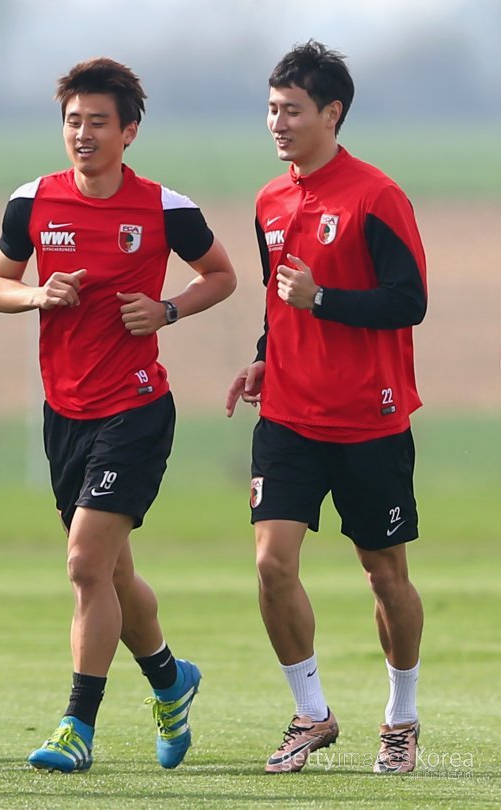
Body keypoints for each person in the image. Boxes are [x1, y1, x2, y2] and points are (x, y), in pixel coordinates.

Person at [0, 57, 236, 773]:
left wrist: (166, 310)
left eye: (99, 122)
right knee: (114, 578)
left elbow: (220, 274)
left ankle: (76, 727)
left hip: (136, 407)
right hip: (65, 413)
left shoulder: (165, 208)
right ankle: (169, 679)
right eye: (73, 122)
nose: (84, 134)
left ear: (129, 131)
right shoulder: (31, 202)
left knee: (84, 564)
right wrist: (38, 296)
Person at [226, 41, 427, 775]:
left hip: (369, 419)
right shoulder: (269, 201)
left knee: (384, 574)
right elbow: (281, 300)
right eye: (272, 109)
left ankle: (401, 719)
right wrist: (261, 353)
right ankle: (311, 713)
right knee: (271, 564)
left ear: (332, 113)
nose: (277, 122)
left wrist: (326, 301)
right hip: (287, 415)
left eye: (293, 110)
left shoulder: (377, 196)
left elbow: (410, 301)